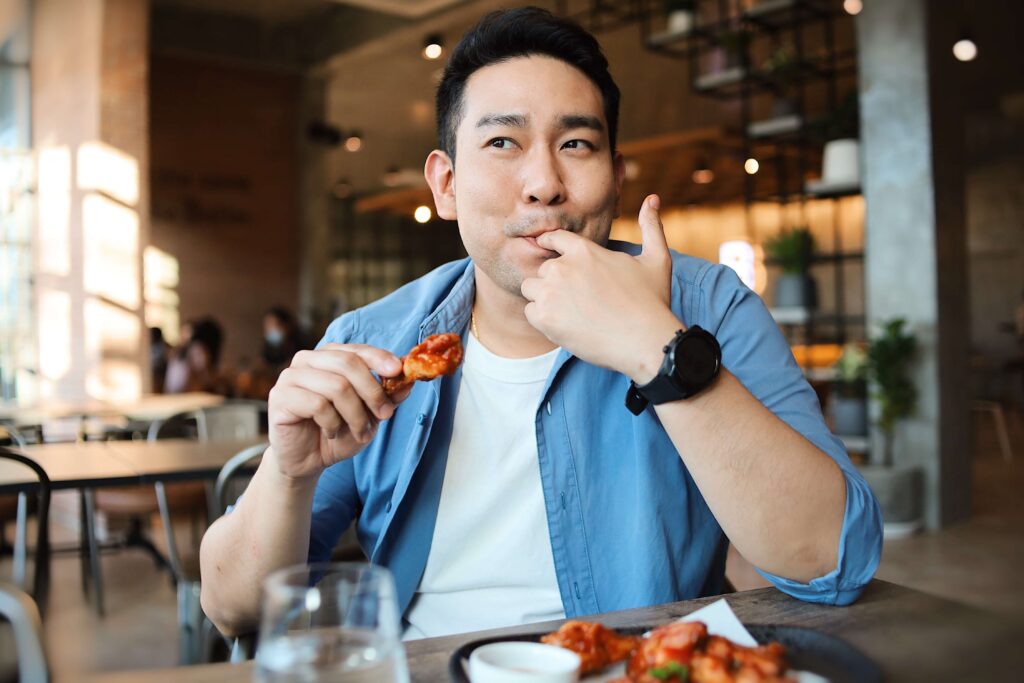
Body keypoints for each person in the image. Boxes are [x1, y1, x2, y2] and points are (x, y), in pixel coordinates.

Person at [200, 7, 882, 639]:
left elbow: (834, 562)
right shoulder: (373, 338)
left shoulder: (707, 305)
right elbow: (232, 607)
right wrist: (286, 475)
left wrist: (658, 345)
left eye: (577, 144)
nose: (544, 183)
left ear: (615, 177)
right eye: (502, 141)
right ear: (445, 184)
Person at [235, 307, 306, 400]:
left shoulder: (301, 351)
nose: (269, 331)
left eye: (273, 326)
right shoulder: (268, 348)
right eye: (267, 327)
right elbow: (262, 365)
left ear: (286, 326)